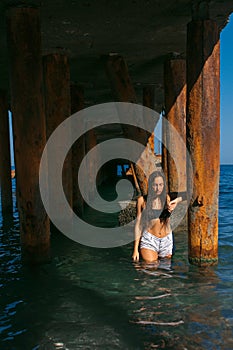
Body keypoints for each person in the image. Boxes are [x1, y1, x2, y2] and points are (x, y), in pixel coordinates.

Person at [132, 170, 185, 263]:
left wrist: (176, 201)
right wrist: (135, 249)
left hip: (167, 241)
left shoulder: (167, 198)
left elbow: (187, 194)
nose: (158, 188)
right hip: (150, 240)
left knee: (165, 272)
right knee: (151, 268)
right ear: (151, 185)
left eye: (160, 185)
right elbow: (138, 225)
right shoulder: (142, 200)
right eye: (155, 185)